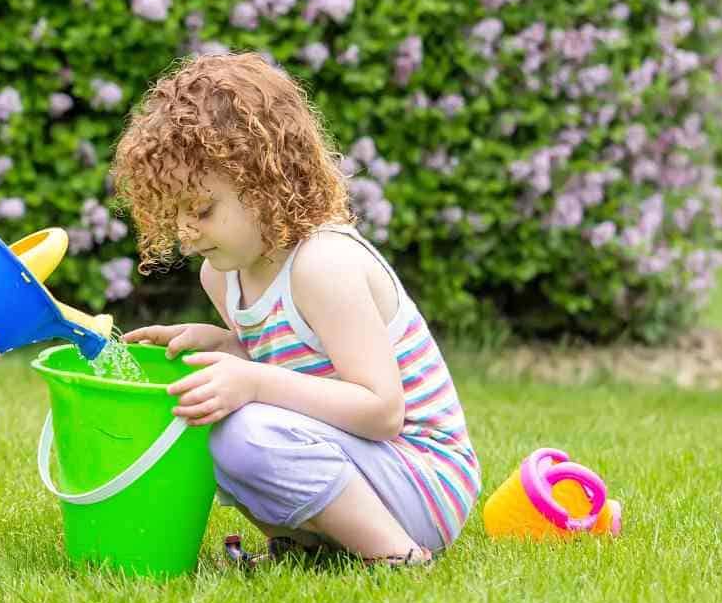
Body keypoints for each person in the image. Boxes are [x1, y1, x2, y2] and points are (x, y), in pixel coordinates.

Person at [112, 52, 479, 568]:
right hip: (371, 470)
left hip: (424, 481)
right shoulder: (222, 273)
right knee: (205, 409)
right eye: (172, 213)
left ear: (266, 182)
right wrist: (227, 347)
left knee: (242, 430)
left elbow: (381, 411)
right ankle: (307, 547)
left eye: (200, 210)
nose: (185, 233)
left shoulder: (324, 264)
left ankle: (398, 556)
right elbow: (299, 370)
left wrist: (252, 382)